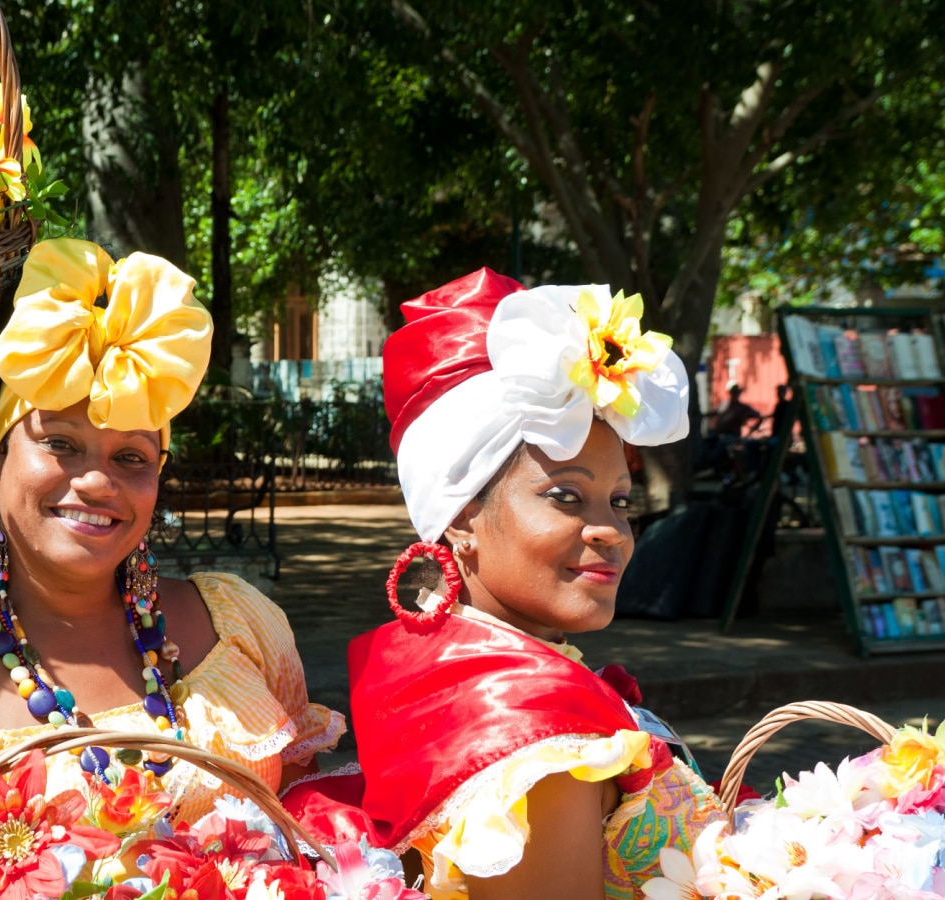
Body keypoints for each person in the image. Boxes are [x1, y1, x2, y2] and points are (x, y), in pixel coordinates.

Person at [0, 239, 344, 825]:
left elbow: (309, 829)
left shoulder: (235, 624)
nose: (99, 482)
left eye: (131, 456)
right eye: (60, 444)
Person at [282, 269, 726, 900]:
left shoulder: (435, 659)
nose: (612, 532)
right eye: (566, 496)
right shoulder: (537, 734)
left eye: (621, 502)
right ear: (462, 517)